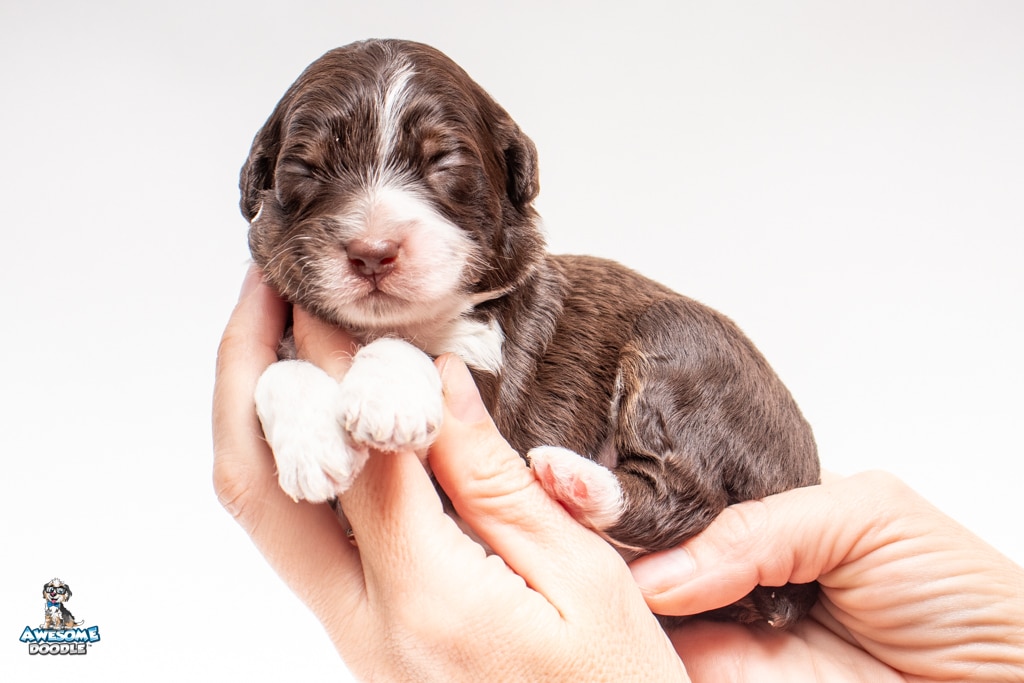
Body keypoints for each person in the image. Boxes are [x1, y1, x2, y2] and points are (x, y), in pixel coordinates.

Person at [214, 266, 1024, 682]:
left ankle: (644, 496)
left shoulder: (495, 316)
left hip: (696, 489)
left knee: (678, 347)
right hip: (744, 610)